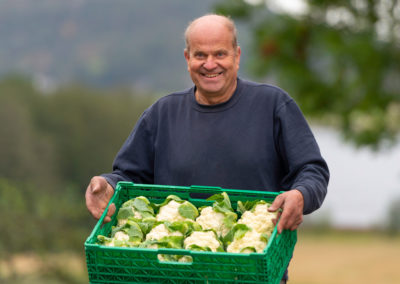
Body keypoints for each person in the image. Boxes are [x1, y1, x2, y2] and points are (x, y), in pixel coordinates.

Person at [85, 14, 329, 283]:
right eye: (200, 55)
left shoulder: (273, 106)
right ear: (187, 58)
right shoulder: (161, 114)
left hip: (252, 272)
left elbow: (312, 170)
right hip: (174, 273)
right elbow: (129, 178)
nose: (210, 64)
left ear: (237, 56)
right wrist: (108, 184)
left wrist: (301, 194)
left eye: (220, 54)